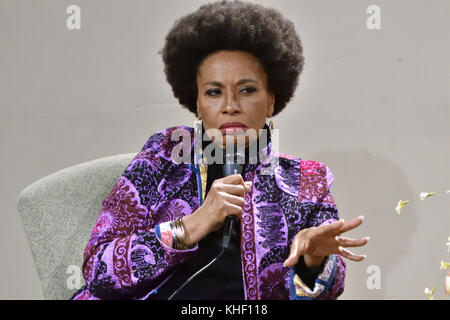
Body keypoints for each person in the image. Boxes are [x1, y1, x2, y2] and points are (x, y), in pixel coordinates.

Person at [71, 0, 368, 300]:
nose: (230, 106)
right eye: (214, 92)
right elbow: (98, 269)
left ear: (271, 101)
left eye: (247, 90)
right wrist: (189, 227)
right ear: (197, 103)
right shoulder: (164, 154)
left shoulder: (307, 181)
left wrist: (313, 261)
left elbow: (330, 288)